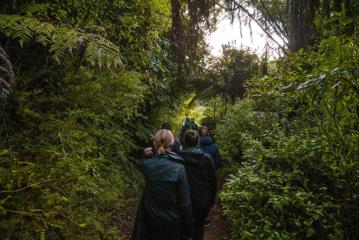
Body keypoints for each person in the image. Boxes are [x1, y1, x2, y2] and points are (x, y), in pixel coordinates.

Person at [132, 129, 193, 240]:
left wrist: (145, 156)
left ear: (154, 144)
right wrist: (189, 229)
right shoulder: (179, 168)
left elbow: (141, 164)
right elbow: (185, 204)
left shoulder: (147, 165)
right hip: (173, 222)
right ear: (172, 143)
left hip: (150, 220)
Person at [180, 130, 217, 240]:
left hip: (183, 200)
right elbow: (213, 181)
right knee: (199, 226)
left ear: (184, 142)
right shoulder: (207, 158)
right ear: (198, 142)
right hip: (202, 201)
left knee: (183, 228)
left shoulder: (178, 158)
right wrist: (212, 200)